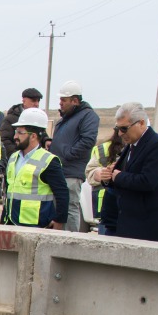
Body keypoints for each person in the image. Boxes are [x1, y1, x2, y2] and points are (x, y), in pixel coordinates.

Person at [95, 102, 158, 244]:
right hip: (127, 227)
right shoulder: (132, 146)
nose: (120, 134)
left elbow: (148, 181)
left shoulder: (157, 145)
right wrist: (108, 177)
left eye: (124, 128)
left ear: (141, 123)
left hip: (149, 231)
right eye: (117, 128)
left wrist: (119, 176)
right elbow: (122, 177)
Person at [1, 107, 67, 229]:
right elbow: (9, 192)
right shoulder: (13, 158)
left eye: (20, 132)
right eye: (15, 131)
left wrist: (59, 220)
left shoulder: (49, 161)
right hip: (10, 222)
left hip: (36, 225)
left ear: (33, 136)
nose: (15, 136)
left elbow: (62, 193)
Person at [50, 80, 98, 232]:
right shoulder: (66, 118)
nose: (60, 103)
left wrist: (68, 155)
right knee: (58, 207)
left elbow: (88, 140)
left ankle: (70, 241)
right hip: (59, 171)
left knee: (70, 206)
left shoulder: (88, 116)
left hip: (71, 172)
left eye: (64, 100)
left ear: (75, 100)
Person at [84, 124, 125, 235]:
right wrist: (100, 173)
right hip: (106, 211)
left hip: (127, 211)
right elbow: (90, 172)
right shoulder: (102, 149)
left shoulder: (142, 150)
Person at [0, 87, 41, 160]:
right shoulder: (10, 119)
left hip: (36, 160)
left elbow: (41, 135)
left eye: (38, 101)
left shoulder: (38, 119)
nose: (37, 104)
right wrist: (18, 156)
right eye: (33, 101)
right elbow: (4, 140)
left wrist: (47, 140)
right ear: (24, 101)